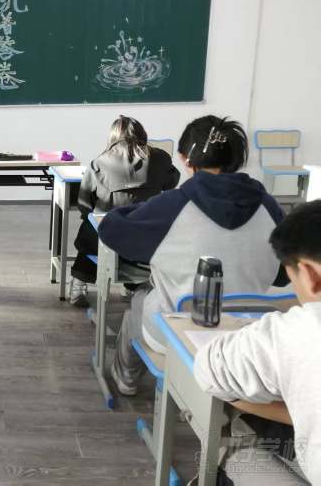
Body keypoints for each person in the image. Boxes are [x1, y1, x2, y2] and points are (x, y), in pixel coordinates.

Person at [98, 116, 287, 396]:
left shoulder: (171, 206)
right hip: (248, 337)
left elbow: (112, 230)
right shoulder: (270, 208)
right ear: (238, 159)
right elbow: (282, 277)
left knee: (139, 301)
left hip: (180, 334)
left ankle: (125, 378)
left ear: (185, 159)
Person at [193, 201, 321, 485]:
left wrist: (298, 412)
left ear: (310, 275)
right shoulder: (265, 204)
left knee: (238, 451)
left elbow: (209, 372)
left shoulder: (294, 331)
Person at [69, 116, 180, 307]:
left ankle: (78, 285)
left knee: (90, 229)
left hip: (107, 234)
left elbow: (84, 202)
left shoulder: (100, 162)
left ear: (112, 137)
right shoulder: (161, 158)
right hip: (145, 234)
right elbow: (171, 182)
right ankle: (132, 287)